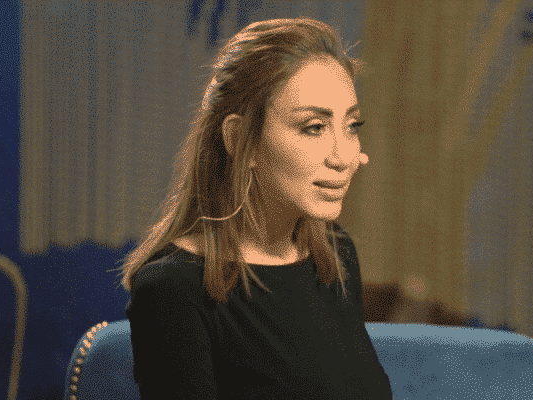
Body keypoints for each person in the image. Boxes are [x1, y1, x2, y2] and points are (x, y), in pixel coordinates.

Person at [113, 17, 388, 399]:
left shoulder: (336, 253)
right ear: (240, 138)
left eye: (352, 126)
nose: (344, 157)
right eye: (314, 127)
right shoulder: (173, 290)